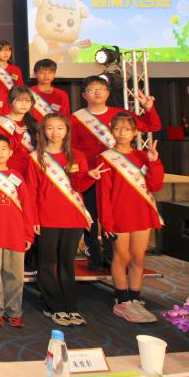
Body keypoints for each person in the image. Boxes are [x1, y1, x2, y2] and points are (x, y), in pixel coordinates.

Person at [71, 75, 160, 272]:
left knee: (115, 216)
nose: (97, 93)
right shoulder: (76, 118)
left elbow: (152, 126)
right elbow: (72, 148)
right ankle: (94, 257)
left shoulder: (120, 114)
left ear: (108, 93)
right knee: (92, 217)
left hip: (118, 174)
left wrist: (148, 108)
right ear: (84, 95)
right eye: (92, 89)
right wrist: (84, 172)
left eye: (101, 89)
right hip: (92, 174)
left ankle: (114, 257)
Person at [27, 113, 102, 327]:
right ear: (43, 131)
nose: (55, 132)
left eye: (60, 128)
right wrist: (33, 218)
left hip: (73, 216)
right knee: (47, 263)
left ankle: (70, 306)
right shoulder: (36, 158)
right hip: (47, 217)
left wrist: (90, 177)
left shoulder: (76, 156)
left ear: (67, 131)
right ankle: (54, 305)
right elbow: (31, 191)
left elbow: (79, 186)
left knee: (67, 262)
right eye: (50, 128)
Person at [97, 114, 165, 324]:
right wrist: (106, 221)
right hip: (119, 214)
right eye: (117, 129)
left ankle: (135, 296)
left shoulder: (143, 156)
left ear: (135, 132)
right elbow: (104, 193)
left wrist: (154, 162)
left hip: (141, 212)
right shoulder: (106, 158)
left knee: (139, 257)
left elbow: (155, 185)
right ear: (111, 131)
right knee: (122, 256)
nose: (122, 133)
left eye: (127, 129)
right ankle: (121, 297)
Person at [0, 134, 35, 328]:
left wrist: (28, 233)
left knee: (15, 274)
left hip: (15, 231)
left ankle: (14, 310)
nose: (0, 153)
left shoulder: (17, 176)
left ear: (10, 152)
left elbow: (26, 205)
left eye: (3, 149)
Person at [0, 86, 39, 176]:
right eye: (20, 100)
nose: (24, 104)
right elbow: (1, 149)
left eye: (27, 101)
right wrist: (17, 135)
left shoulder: (33, 122)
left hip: (31, 168)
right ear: (10, 102)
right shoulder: (1, 124)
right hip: (10, 169)